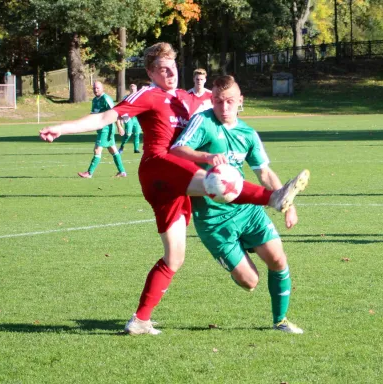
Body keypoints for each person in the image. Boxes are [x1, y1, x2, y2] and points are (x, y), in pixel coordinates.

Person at [39, 42, 310, 335]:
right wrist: (62, 127)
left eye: (173, 67)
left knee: (175, 257)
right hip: (159, 167)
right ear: (150, 72)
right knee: (216, 181)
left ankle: (140, 320)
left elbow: (217, 110)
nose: (170, 73)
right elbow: (106, 117)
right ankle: (273, 198)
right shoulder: (148, 95)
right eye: (162, 69)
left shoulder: (186, 100)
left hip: (178, 183)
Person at [171, 75, 303, 334]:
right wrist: (207, 157)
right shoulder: (204, 121)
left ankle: (280, 321)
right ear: (212, 100)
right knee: (250, 281)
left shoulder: (248, 134)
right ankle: (236, 256)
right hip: (213, 219)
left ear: (240, 101)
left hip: (247, 210)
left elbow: (264, 173)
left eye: (230, 101)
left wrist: (287, 204)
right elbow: (177, 149)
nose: (224, 107)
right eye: (218, 101)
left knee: (278, 259)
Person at [78, 81, 127, 178]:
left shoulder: (106, 99)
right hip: (100, 128)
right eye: (94, 88)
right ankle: (122, 171)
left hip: (106, 128)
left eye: (98, 88)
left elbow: (115, 113)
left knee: (97, 150)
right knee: (113, 150)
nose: (95, 90)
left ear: (102, 88)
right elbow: (94, 114)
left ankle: (89, 173)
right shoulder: (94, 100)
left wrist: (119, 126)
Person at [117, 84, 143, 154]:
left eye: (134, 89)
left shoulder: (139, 98)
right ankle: (122, 146)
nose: (133, 91)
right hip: (127, 117)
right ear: (129, 90)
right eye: (131, 89)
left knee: (137, 133)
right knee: (128, 133)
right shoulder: (126, 98)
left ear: (136, 90)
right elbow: (121, 108)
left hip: (136, 117)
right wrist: (121, 119)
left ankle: (136, 149)